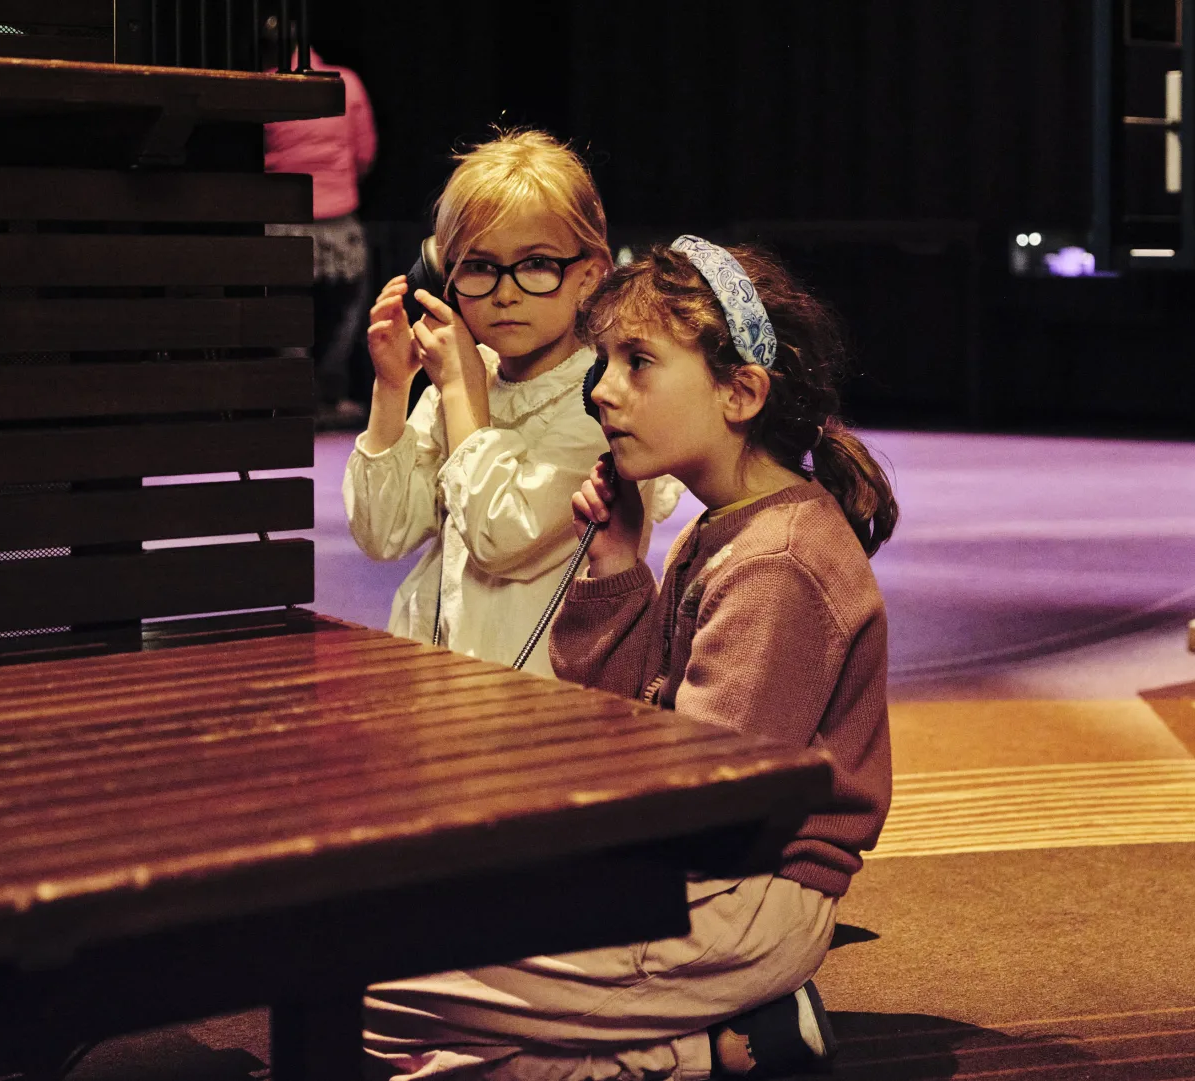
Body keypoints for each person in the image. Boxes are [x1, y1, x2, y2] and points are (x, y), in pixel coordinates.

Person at [361, 238, 898, 1081]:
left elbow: (704, 804)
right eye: (604, 360)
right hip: (694, 876)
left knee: (364, 988)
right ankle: (715, 1042)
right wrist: (615, 569)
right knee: (388, 961)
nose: (603, 389)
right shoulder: (727, 529)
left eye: (638, 362)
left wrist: (549, 871)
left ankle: (699, 1050)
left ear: (740, 392)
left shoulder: (777, 562)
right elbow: (641, 719)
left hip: (741, 901)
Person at [342, 129, 678, 675]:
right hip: (437, 685)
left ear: (589, 277)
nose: (504, 291)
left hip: (540, 700)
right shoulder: (472, 378)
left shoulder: (603, 403)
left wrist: (460, 393)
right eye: (478, 266)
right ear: (442, 277)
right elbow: (383, 533)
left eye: (536, 264)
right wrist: (392, 388)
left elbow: (500, 535)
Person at [263, 41, 378, 426]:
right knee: (345, 310)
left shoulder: (262, 86)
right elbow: (364, 153)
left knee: (285, 314)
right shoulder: (347, 82)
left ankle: (292, 401)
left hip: (283, 220)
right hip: (339, 219)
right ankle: (328, 397)